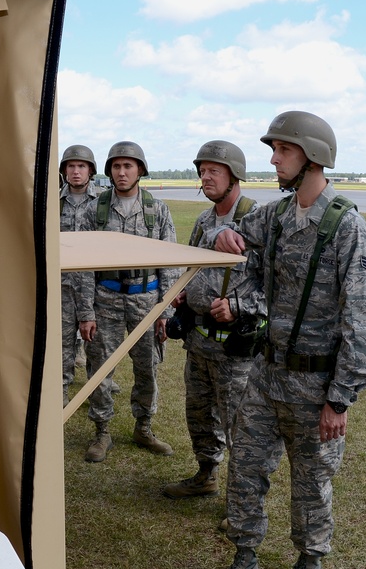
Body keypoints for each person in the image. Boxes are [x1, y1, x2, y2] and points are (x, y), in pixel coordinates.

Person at [198, 111, 366, 569]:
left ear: (313, 156)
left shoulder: (346, 227)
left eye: (283, 150)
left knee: (311, 482)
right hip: (266, 373)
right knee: (246, 468)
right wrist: (224, 241)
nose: (273, 159)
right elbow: (247, 260)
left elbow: (363, 326)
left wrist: (339, 400)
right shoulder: (275, 216)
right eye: (274, 149)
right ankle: (245, 560)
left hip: (318, 384)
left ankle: (308, 566)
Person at [162, 141, 264, 500]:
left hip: (235, 349)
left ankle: (241, 500)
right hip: (199, 341)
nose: (205, 177)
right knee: (199, 415)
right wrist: (182, 292)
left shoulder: (256, 219)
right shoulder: (206, 220)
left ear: (234, 176)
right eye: (202, 171)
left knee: (240, 425)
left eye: (213, 171)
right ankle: (206, 475)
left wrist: (238, 305)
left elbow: (278, 287)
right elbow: (193, 266)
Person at [79, 141, 178, 462]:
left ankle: (144, 426)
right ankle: (101, 431)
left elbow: (171, 262)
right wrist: (85, 311)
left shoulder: (156, 210)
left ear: (140, 170)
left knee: (147, 367)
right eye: (116, 167)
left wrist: (166, 310)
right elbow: (81, 264)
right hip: (104, 298)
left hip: (146, 300)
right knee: (99, 369)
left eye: (128, 166)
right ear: (109, 171)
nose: (122, 173)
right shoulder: (94, 210)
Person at [59, 144, 99, 403]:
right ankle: (60, 388)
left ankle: (98, 384)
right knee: (61, 339)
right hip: (61, 281)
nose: (76, 171)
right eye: (71, 166)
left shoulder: (103, 202)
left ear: (90, 171)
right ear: (64, 171)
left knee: (95, 339)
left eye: (81, 166)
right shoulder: (51, 201)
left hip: (93, 283)